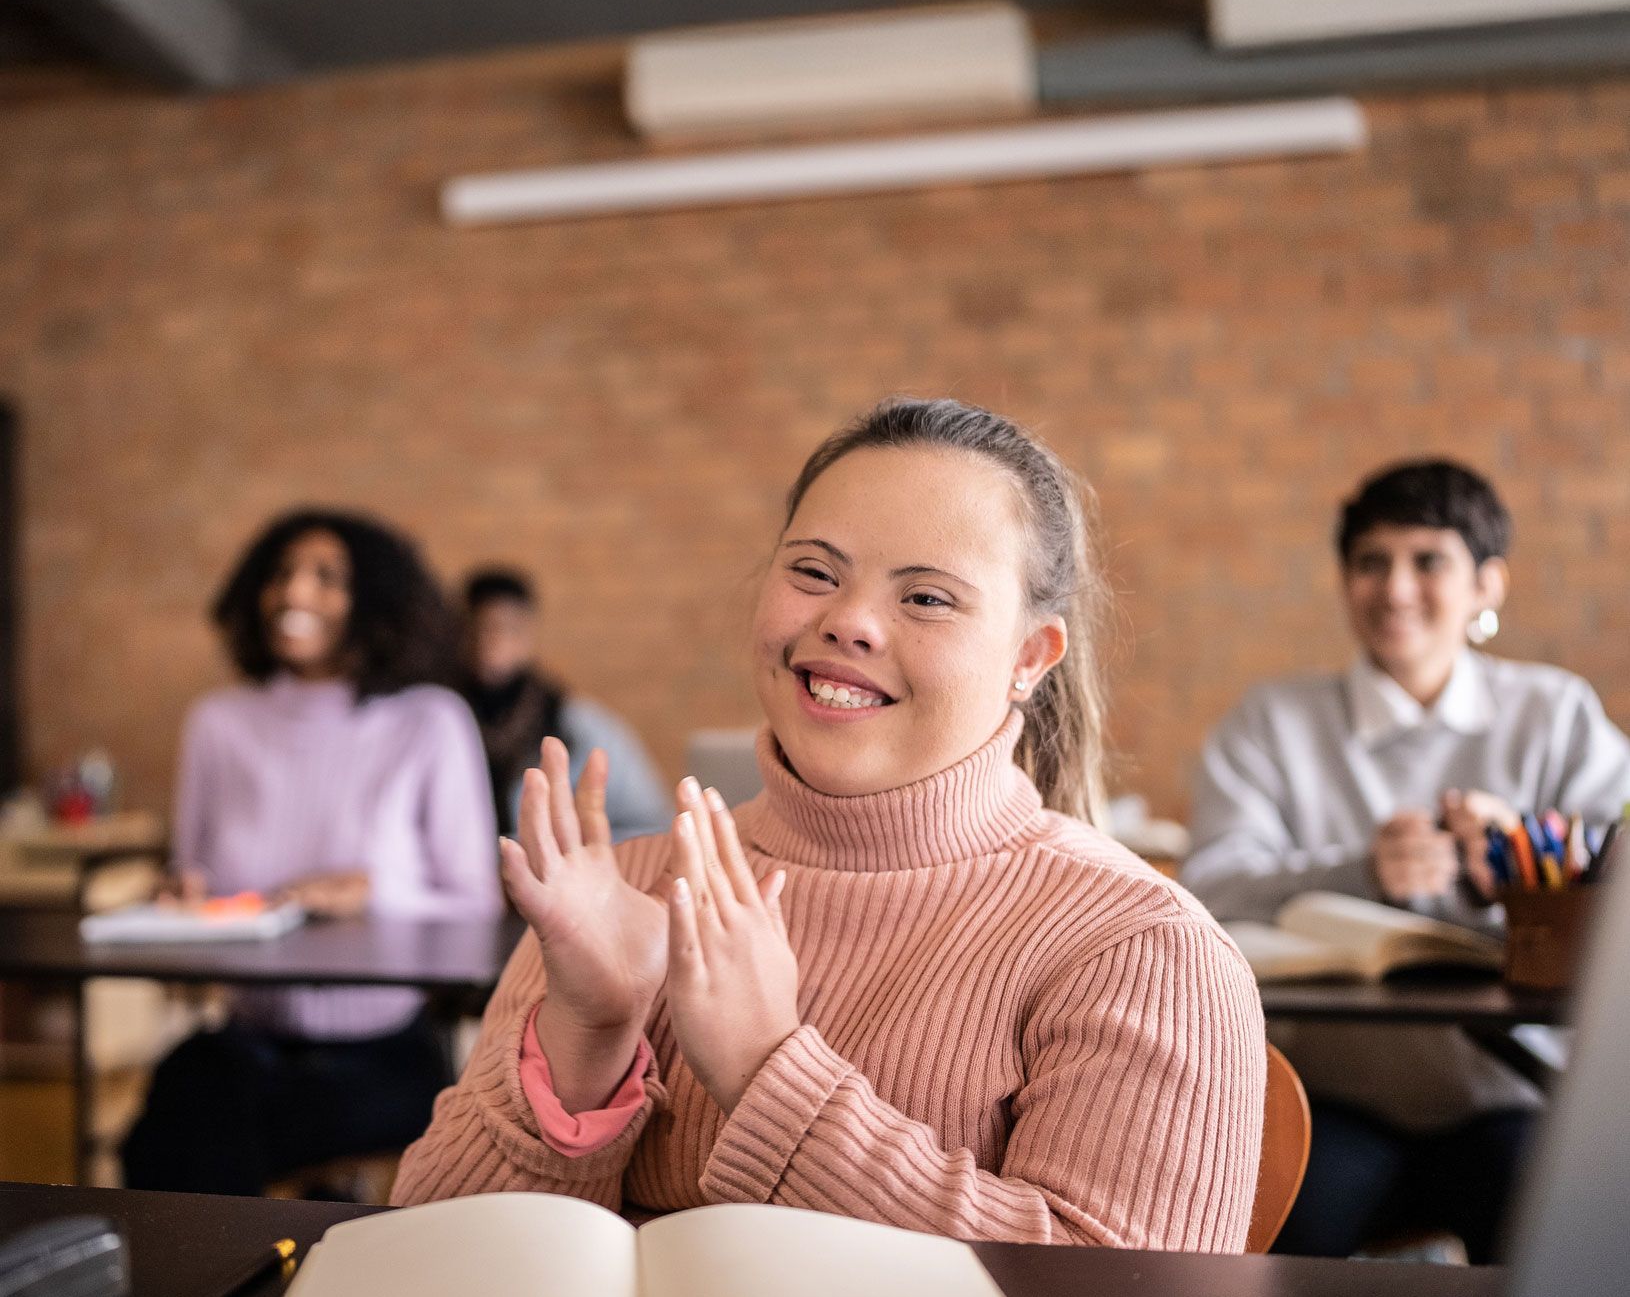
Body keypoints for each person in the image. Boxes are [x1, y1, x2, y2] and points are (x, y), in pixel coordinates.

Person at [394, 398, 1266, 1249]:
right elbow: (428, 1271)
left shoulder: (1140, 946)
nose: (846, 621)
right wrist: (587, 1030)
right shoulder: (618, 889)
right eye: (813, 571)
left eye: (926, 598)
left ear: (1031, 657)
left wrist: (767, 1071)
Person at [1182, 460, 1630, 1261]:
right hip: (1333, 1098)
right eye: (1370, 561)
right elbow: (1208, 889)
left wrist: (1533, 861)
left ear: (1487, 585)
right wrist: (1361, 871)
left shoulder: (1554, 712)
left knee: (1567, 1260)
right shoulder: (1271, 720)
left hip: (1512, 1093)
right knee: (1268, 1255)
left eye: (1428, 561)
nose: (1394, 588)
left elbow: (1614, 860)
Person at [122, 508, 502, 1196]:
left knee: (214, 1134)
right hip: (246, 1039)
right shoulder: (219, 723)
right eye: (281, 574)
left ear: (377, 602)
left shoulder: (428, 722)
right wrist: (182, 891)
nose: (294, 594)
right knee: (181, 1110)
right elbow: (195, 871)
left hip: (382, 1050)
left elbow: (477, 905)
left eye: (326, 578)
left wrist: (373, 892)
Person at [459, 568, 669, 840]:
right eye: (480, 629)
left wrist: (577, 847)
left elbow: (650, 823)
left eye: (507, 629)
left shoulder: (579, 726)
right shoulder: (442, 720)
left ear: (527, 634)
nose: (491, 643)